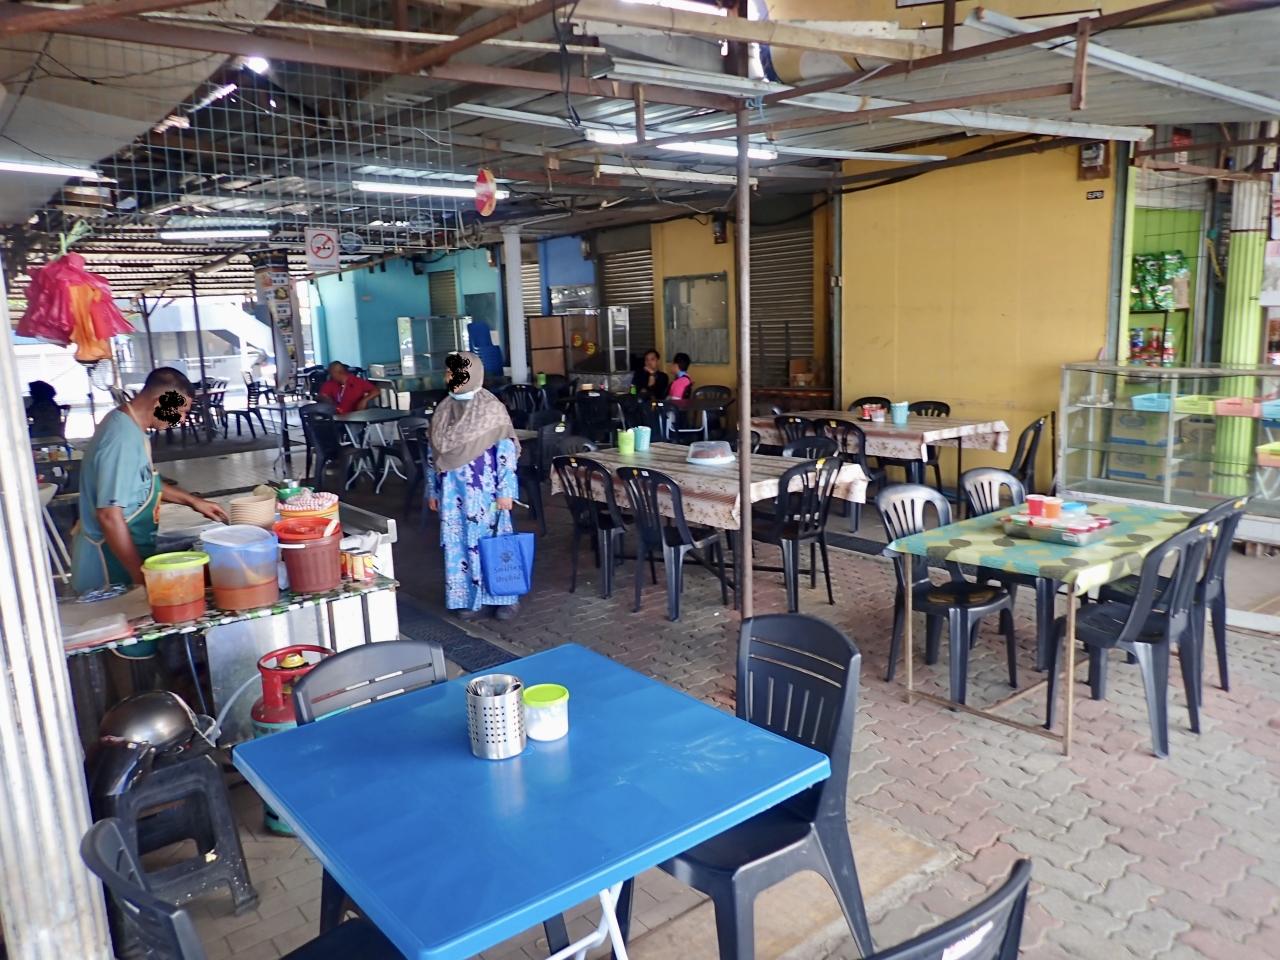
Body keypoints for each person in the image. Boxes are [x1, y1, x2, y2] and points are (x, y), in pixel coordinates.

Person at [71, 367, 228, 594]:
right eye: (181, 411)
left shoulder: (131, 426)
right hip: (109, 565)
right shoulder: (122, 439)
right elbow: (109, 516)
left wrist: (194, 502)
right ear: (159, 402)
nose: (182, 419)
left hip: (129, 550)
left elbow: (145, 482)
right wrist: (141, 577)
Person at [426, 351, 522, 621]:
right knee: (459, 546)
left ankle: (506, 598)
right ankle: (469, 599)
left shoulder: (490, 408)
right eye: (447, 372)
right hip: (452, 493)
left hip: (486, 494)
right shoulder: (444, 409)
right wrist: (432, 490)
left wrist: (506, 492)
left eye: (454, 372)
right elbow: (432, 454)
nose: (448, 377)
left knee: (496, 544)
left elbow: (505, 453)